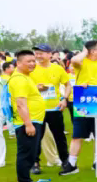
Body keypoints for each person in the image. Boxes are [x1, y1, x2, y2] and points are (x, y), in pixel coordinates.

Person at [8, 50, 48, 182]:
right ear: (18, 63)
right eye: (28, 61)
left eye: (33, 61)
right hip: (27, 122)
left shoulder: (25, 77)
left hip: (33, 120)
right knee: (26, 154)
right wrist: (28, 124)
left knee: (30, 153)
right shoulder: (19, 79)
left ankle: (26, 181)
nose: (32, 64)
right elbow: (20, 104)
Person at [65, 40, 97, 174]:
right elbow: (74, 60)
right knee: (78, 134)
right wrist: (85, 51)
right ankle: (72, 164)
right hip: (83, 101)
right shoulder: (82, 62)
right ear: (92, 51)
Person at [30, 44, 72, 174]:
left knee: (59, 136)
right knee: (36, 137)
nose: (38, 56)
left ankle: (65, 161)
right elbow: (23, 86)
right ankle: (35, 163)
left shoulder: (57, 69)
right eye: (36, 53)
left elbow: (68, 85)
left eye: (41, 53)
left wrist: (64, 99)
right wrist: (36, 88)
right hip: (37, 109)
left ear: (50, 54)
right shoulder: (31, 69)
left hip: (54, 109)